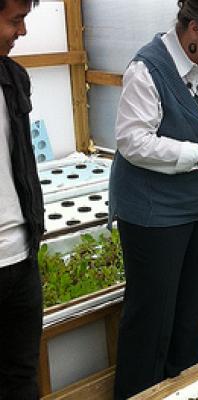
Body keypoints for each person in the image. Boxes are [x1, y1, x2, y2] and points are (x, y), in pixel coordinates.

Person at [108, 0, 198, 397]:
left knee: (190, 313)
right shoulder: (148, 69)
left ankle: (183, 389)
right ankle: (138, 392)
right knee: (151, 315)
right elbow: (133, 141)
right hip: (154, 214)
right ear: (193, 29)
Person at [0, 0, 44, 398]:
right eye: (15, 20)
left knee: (21, 377)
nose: (23, 32)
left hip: (20, 256)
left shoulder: (13, 79)